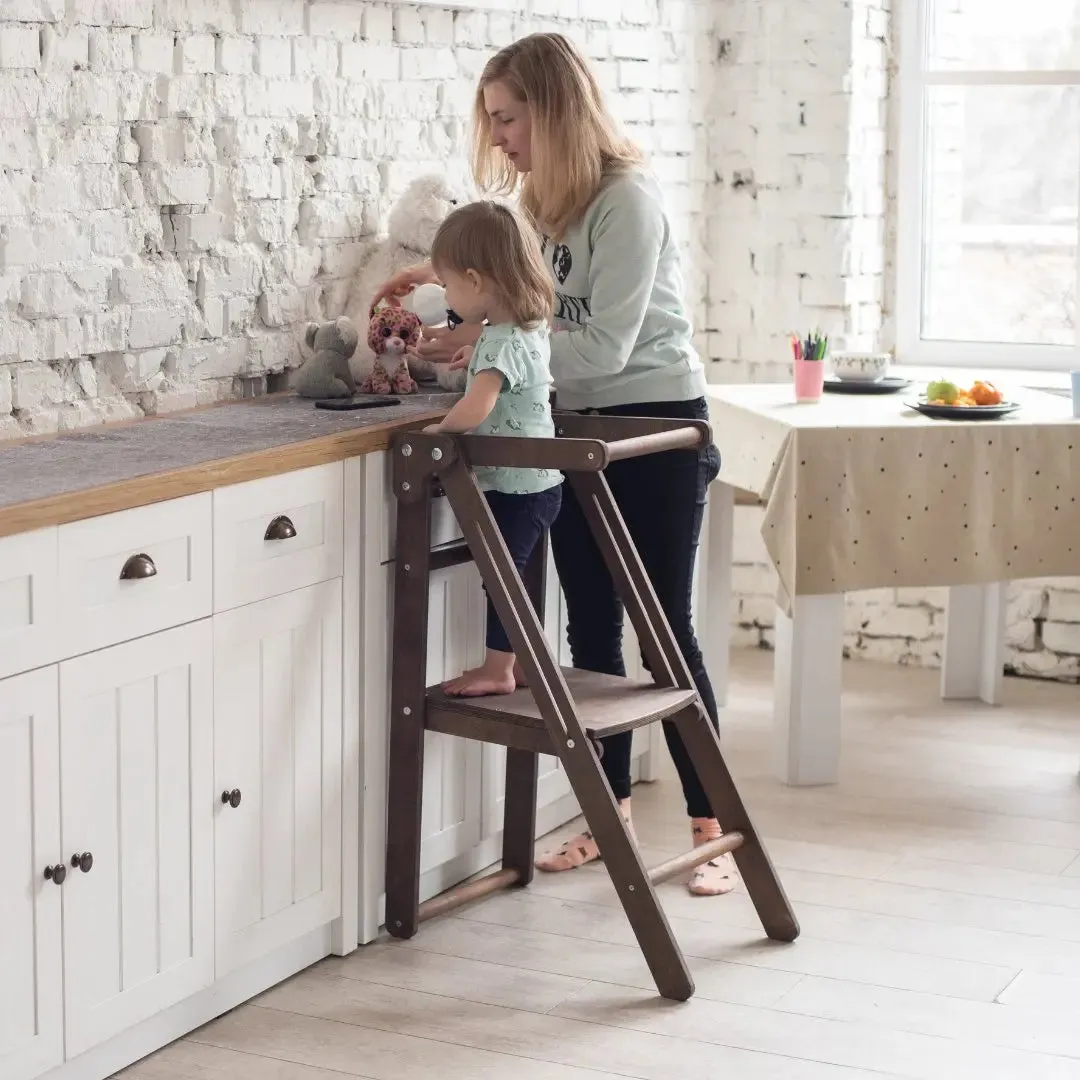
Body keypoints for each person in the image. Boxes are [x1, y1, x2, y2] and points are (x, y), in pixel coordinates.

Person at [372, 33, 735, 897]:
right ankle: (606, 814)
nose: (498, 137)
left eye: (508, 117)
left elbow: (603, 346)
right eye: (492, 120)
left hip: (650, 424)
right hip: (566, 428)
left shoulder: (626, 203)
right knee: (590, 633)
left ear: (554, 110)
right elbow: (514, 293)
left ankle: (711, 827)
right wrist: (442, 291)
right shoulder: (541, 201)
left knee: (664, 630)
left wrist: (498, 348)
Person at [422, 199, 563, 698]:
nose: (447, 296)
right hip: (541, 485)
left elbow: (478, 408)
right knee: (518, 572)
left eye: (448, 286)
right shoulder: (527, 330)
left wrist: (437, 435)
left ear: (476, 281)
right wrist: (475, 356)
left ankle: (498, 668)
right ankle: (527, 660)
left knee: (502, 580)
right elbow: (511, 376)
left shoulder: (498, 343)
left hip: (513, 485)